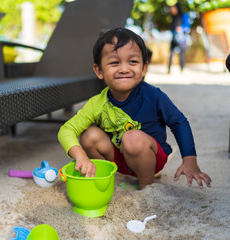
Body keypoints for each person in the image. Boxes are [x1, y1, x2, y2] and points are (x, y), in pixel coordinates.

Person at [58, 27, 212, 190]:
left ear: (144, 68)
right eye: (114, 62)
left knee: (132, 138)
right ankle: (108, 178)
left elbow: (179, 122)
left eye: (132, 61)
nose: (124, 69)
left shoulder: (153, 96)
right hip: (119, 157)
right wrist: (81, 156)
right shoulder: (98, 103)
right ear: (99, 71)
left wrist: (189, 160)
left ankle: (146, 187)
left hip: (151, 158)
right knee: (89, 135)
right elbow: (66, 130)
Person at [168, 2, 188, 74]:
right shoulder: (173, 17)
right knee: (171, 53)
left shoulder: (183, 16)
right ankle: (169, 69)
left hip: (181, 38)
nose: (172, 10)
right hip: (174, 38)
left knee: (182, 54)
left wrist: (181, 28)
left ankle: (182, 69)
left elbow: (187, 26)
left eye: (173, 8)